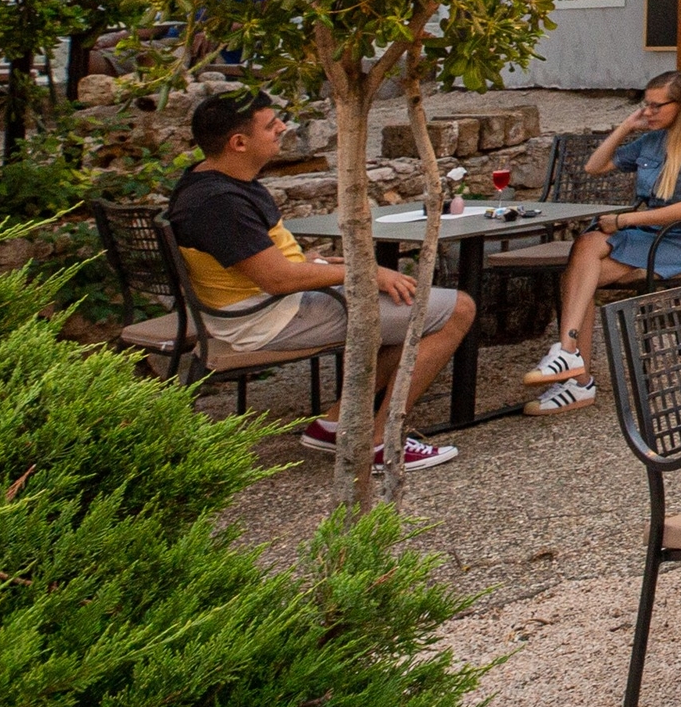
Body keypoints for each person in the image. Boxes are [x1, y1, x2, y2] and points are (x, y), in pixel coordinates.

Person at [165, 88, 465, 471]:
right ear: (238, 142)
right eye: (271, 125)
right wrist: (367, 272)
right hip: (265, 317)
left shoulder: (210, 182)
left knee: (405, 309)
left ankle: (334, 423)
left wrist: (312, 262)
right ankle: (381, 443)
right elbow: (277, 280)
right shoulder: (219, 203)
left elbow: (255, 260)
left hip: (253, 306)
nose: (282, 129)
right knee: (456, 309)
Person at [521, 70, 681, 411]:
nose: (648, 112)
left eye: (655, 106)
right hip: (648, 235)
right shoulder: (651, 139)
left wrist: (623, 221)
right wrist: (625, 127)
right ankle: (572, 364)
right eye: (644, 104)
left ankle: (574, 373)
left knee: (579, 269)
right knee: (583, 264)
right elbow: (594, 166)